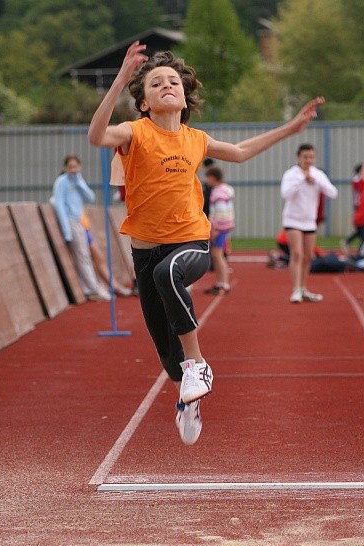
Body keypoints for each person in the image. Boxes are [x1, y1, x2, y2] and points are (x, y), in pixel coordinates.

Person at [87, 40, 326, 444]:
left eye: (174, 82)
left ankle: (199, 364)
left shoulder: (196, 139)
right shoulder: (134, 133)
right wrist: (120, 80)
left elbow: (242, 150)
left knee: (170, 275)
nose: (167, 86)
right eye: (156, 83)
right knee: (168, 359)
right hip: (145, 252)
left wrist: (291, 128)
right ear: (143, 102)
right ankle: (189, 396)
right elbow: (96, 137)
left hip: (191, 242)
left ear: (184, 96)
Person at [281, 143, 338, 304]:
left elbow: (333, 193)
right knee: (297, 253)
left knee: (308, 256)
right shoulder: (291, 174)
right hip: (292, 220)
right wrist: (301, 181)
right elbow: (285, 194)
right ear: (298, 157)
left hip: (310, 221)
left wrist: (317, 183)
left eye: (311, 157)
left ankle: (304, 288)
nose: (308, 160)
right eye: (305, 157)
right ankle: (296, 289)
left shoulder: (318, 174)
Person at [52, 154, 110, 301]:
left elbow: (90, 197)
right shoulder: (61, 182)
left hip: (80, 222)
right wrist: (66, 231)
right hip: (71, 221)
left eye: (75, 166)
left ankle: (91, 286)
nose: (73, 169)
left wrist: (79, 182)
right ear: (65, 168)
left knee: (85, 255)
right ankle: (93, 288)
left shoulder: (78, 181)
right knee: (83, 255)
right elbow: (59, 205)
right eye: (70, 167)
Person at [80, 212, 133, 296]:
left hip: (85, 229)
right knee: (92, 259)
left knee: (99, 258)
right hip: (79, 228)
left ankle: (114, 285)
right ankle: (111, 286)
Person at [203, 166, 235, 295]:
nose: (206, 180)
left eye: (207, 177)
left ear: (212, 177)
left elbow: (221, 212)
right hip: (225, 226)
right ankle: (220, 282)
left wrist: (214, 229)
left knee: (218, 255)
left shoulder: (218, 192)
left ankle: (224, 283)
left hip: (220, 228)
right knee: (217, 256)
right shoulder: (225, 189)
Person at [341, 163, 364, 256]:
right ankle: (360, 254)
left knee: (360, 231)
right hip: (360, 210)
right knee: (361, 231)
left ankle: (347, 242)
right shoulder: (357, 181)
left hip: (360, 209)